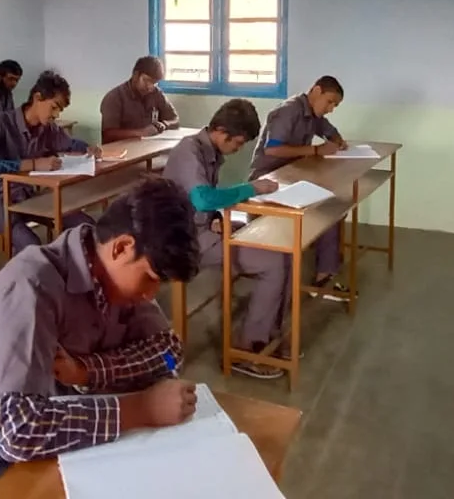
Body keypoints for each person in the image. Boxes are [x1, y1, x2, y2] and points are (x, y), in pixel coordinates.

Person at [0, 178, 203, 498]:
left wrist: (87, 371)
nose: (150, 294)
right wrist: (140, 410)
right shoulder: (30, 287)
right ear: (122, 247)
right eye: (150, 279)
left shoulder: (121, 286)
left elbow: (169, 356)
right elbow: (17, 432)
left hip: (59, 438)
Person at [162, 99, 296, 379]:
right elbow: (201, 198)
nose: (237, 150)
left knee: (283, 249)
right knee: (272, 261)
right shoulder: (189, 151)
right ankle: (246, 349)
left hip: (199, 228)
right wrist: (251, 188)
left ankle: (268, 332)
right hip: (182, 240)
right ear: (222, 132)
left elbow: (200, 200)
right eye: (237, 143)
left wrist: (216, 218)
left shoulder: (207, 150)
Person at [0, 70, 102, 252]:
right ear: (38, 98)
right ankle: (22, 278)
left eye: (60, 110)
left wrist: (88, 148)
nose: (56, 115)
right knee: (30, 243)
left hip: (25, 195)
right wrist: (33, 164)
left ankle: (75, 274)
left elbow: (69, 143)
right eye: (54, 107)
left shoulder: (47, 127)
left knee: (84, 225)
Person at [250, 75, 351, 299]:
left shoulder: (313, 113)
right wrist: (315, 151)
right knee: (324, 209)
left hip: (292, 176)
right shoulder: (289, 111)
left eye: (335, 105)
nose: (331, 108)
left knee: (333, 207)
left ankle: (326, 270)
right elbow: (272, 150)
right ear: (316, 91)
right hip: (268, 179)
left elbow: (328, 129)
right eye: (330, 102)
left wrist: (337, 140)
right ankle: (323, 270)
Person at [99, 56, 180, 143]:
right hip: (120, 153)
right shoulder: (114, 97)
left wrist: (164, 124)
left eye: (154, 83)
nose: (150, 87)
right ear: (135, 75)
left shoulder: (156, 94)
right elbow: (108, 134)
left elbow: (175, 120)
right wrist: (141, 133)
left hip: (147, 149)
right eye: (147, 80)